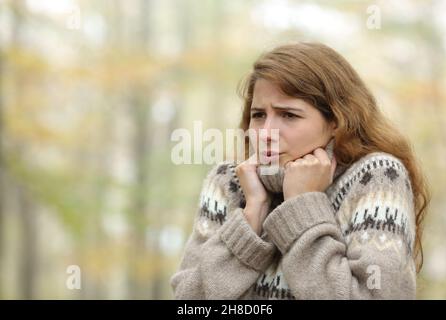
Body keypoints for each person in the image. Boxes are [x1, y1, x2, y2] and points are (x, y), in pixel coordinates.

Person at [170, 42, 430, 299]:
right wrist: (250, 219)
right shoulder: (229, 182)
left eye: (289, 115)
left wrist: (301, 207)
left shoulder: (376, 177)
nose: (266, 133)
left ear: (337, 122)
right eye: (259, 115)